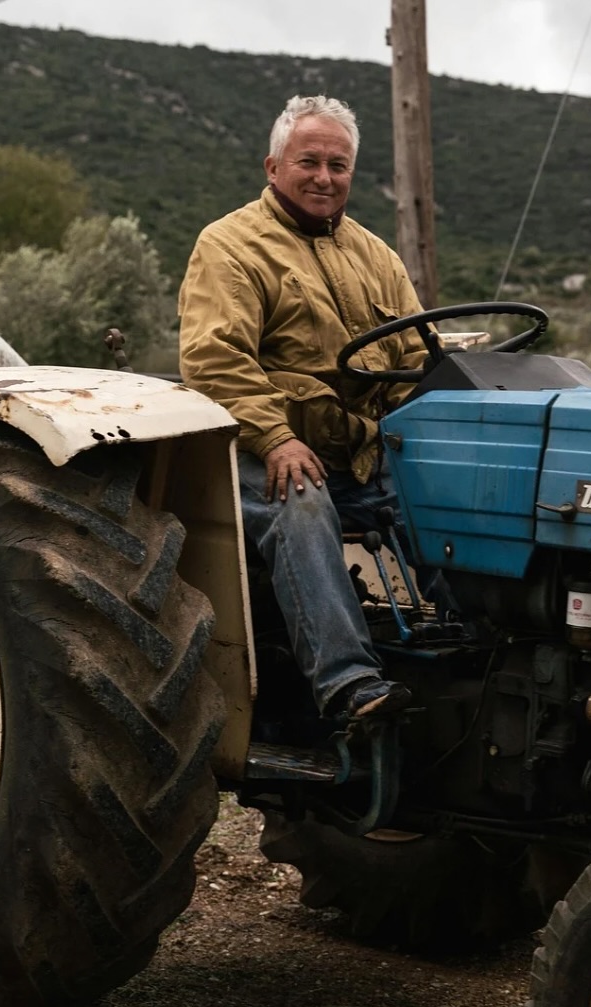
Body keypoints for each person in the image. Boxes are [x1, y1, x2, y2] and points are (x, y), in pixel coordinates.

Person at [178, 95, 427, 724]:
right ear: (273, 166)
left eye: (338, 165)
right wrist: (274, 437)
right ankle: (350, 687)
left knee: (452, 498)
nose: (324, 177)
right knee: (303, 496)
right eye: (308, 161)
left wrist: (428, 441)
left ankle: (482, 653)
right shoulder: (230, 245)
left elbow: (408, 364)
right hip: (259, 451)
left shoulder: (379, 258)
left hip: (363, 451)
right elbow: (215, 359)